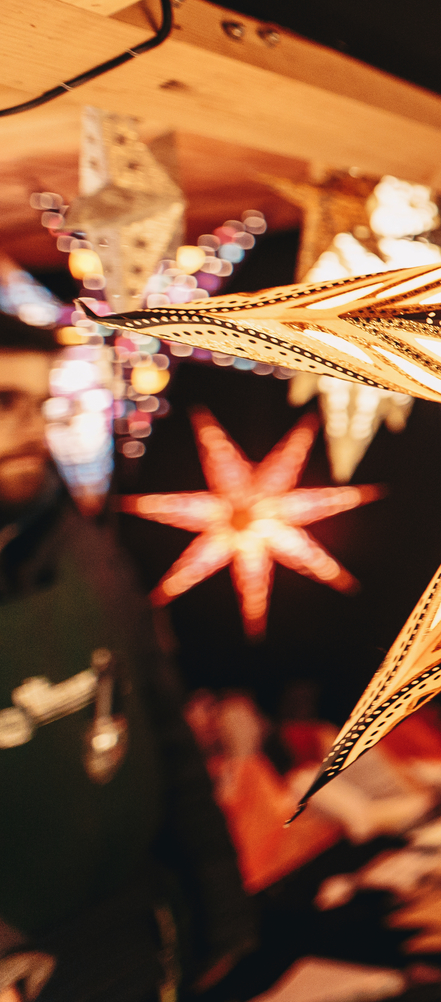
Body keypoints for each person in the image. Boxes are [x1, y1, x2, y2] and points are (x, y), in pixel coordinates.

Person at [0, 315, 253, 1002]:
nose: (30, 427)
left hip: (137, 938)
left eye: (41, 402)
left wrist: (223, 912)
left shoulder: (87, 553)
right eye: (3, 402)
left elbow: (166, 737)